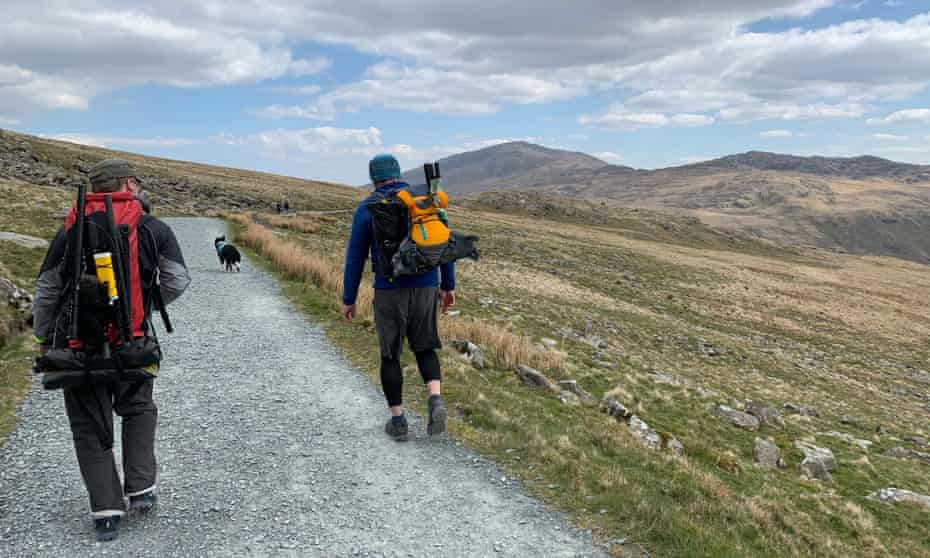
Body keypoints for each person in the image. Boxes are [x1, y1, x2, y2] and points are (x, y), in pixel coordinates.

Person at [32, 159, 190, 542]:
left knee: (89, 425)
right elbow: (177, 280)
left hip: (78, 344)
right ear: (129, 184)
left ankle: (106, 512)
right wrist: (140, 308)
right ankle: (141, 489)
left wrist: (44, 334)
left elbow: (47, 288)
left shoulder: (70, 228)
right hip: (133, 339)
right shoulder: (153, 228)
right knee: (137, 409)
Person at [341, 154, 455, 441]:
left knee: (390, 354)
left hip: (389, 289)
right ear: (398, 173)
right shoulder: (423, 200)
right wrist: (447, 286)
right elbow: (443, 242)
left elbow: (355, 258)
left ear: (374, 178)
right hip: (427, 285)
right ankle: (435, 398)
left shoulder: (367, 208)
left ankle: (399, 421)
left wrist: (349, 298)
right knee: (425, 346)